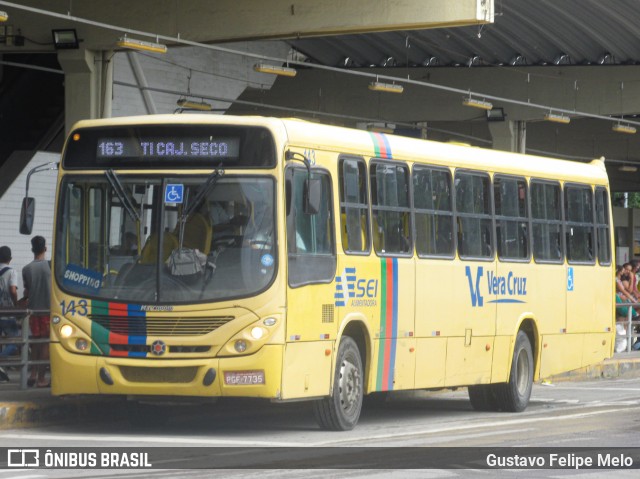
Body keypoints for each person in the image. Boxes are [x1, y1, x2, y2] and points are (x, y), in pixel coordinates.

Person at [22, 236, 51, 388]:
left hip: (33, 312)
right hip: (47, 310)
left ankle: (32, 375)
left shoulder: (26, 269)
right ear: (45, 248)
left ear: (32, 249)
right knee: (45, 344)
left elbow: (27, 291)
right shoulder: (52, 266)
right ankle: (41, 379)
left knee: (35, 344)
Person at [0, 245, 19, 382]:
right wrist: (16, 304)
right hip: (8, 312)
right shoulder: (12, 272)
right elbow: (13, 290)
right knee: (15, 341)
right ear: (10, 259)